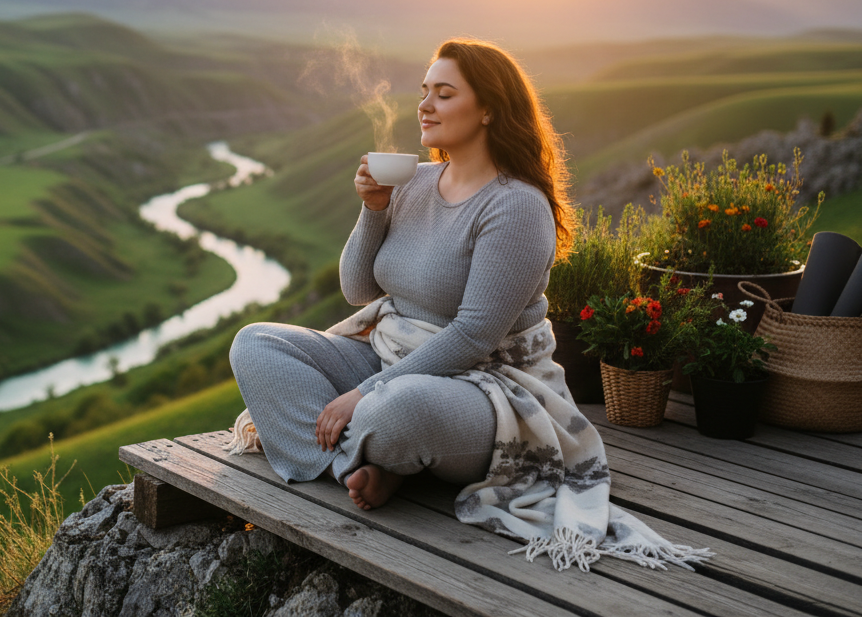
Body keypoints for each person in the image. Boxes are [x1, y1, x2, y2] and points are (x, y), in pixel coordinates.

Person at [228, 39, 709, 571]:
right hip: (393, 351)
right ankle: (362, 466)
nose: (425, 105)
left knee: (395, 411)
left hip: (486, 386)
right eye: (424, 91)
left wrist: (362, 393)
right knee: (256, 343)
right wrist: (373, 210)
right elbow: (360, 293)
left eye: (444, 93)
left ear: (488, 110)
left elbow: (475, 337)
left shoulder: (517, 205)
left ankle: (375, 450)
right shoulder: (414, 181)